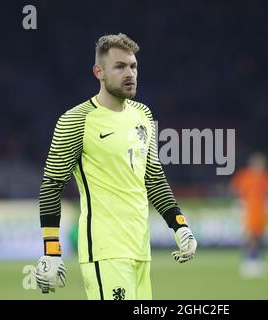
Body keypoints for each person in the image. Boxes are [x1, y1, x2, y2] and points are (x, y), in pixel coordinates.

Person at [35, 33, 197, 300]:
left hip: (140, 250)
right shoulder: (76, 120)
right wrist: (51, 249)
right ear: (98, 71)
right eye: (120, 67)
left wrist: (180, 226)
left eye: (133, 66)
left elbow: (154, 178)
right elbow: (52, 185)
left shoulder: (143, 114)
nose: (129, 73)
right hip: (105, 250)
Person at [230, 152, 268, 278]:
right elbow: (235, 189)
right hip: (249, 210)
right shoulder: (245, 176)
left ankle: (259, 261)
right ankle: (247, 261)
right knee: (249, 236)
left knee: (260, 237)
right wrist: (240, 204)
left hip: (262, 211)